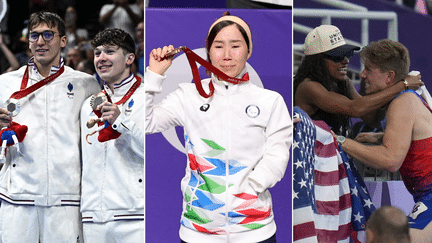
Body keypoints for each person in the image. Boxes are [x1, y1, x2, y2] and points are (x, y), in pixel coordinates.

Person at [146, 12, 292, 243]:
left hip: (255, 231)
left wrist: (252, 188)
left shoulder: (270, 101)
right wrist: (154, 75)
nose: (226, 55)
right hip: (197, 232)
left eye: (235, 46)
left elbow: (278, 153)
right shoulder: (188, 95)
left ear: (248, 50)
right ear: (208, 51)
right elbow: (145, 122)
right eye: (218, 46)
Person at [0, 11, 100, 242]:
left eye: (48, 34)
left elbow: (94, 139)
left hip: (66, 200)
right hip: (17, 198)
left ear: (63, 40)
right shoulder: (5, 84)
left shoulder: (85, 84)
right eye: (34, 36)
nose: (41, 42)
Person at [335, 39, 432, 243]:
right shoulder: (410, 97)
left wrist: (341, 140)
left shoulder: (403, 102)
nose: (362, 75)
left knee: (390, 240)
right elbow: (420, 137)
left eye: (369, 69)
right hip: (426, 197)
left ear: (389, 77)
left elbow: (391, 160)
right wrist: (379, 136)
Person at [294, 25, 423, 136]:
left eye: (346, 54)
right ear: (318, 60)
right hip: (311, 159)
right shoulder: (308, 87)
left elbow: (372, 119)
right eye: (338, 56)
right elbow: (355, 108)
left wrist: (388, 90)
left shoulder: (344, 82)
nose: (346, 61)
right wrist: (403, 85)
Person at [79, 28, 143, 242]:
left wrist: (121, 123)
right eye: (97, 53)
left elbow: (155, 154)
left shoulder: (148, 97)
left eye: (109, 52)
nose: (101, 58)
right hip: (93, 216)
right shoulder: (88, 105)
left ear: (129, 58)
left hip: (134, 215)